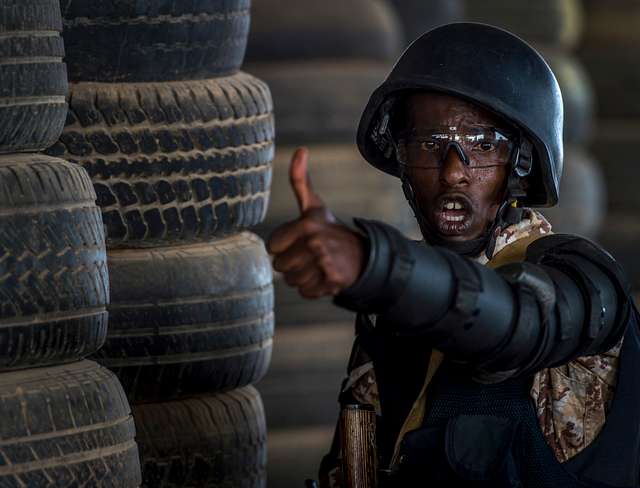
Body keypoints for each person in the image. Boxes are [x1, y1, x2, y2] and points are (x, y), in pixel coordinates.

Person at [267, 23, 640, 487]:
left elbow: (521, 321)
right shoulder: (390, 316)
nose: (452, 173)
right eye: (429, 144)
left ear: (520, 164)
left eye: (482, 145)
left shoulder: (583, 281)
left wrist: (376, 266)